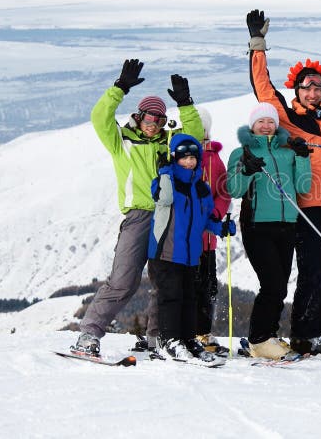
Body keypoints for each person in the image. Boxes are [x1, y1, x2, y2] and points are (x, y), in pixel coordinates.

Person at [245, 9, 321, 356]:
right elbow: (264, 90)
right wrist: (258, 45)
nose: (314, 91)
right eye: (307, 86)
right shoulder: (289, 120)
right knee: (312, 271)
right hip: (308, 207)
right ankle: (305, 333)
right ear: (297, 90)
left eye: (318, 86)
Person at [73, 59, 202, 356]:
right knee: (123, 281)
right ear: (138, 116)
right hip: (139, 216)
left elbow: (193, 137)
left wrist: (185, 103)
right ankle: (89, 335)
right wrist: (119, 87)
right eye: (149, 118)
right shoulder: (121, 141)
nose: (153, 124)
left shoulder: (169, 143)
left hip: (168, 217)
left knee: (165, 282)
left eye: (158, 119)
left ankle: (158, 338)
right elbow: (99, 118)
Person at [227, 103, 312, 359]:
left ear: (277, 126)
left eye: (270, 122)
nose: (266, 126)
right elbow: (234, 190)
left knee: (280, 285)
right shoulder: (240, 152)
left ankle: (268, 335)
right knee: (272, 283)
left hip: (287, 225)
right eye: (260, 121)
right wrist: (247, 170)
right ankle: (259, 339)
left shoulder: (287, 153)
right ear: (252, 125)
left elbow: (303, 186)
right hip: (257, 225)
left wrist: (302, 157)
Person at [148, 134, 236, 362]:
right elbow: (164, 199)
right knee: (171, 297)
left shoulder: (201, 189)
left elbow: (205, 219)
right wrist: (165, 172)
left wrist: (221, 228)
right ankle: (169, 341)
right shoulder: (164, 182)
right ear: (174, 158)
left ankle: (188, 339)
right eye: (183, 158)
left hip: (190, 255)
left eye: (192, 158)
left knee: (189, 298)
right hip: (166, 252)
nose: (188, 162)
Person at [193, 107, 232, 353]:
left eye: (203, 129)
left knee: (208, 286)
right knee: (189, 285)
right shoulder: (181, 157)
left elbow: (224, 191)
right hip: (186, 240)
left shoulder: (214, 159)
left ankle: (203, 333)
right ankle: (185, 332)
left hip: (208, 239)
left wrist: (217, 213)